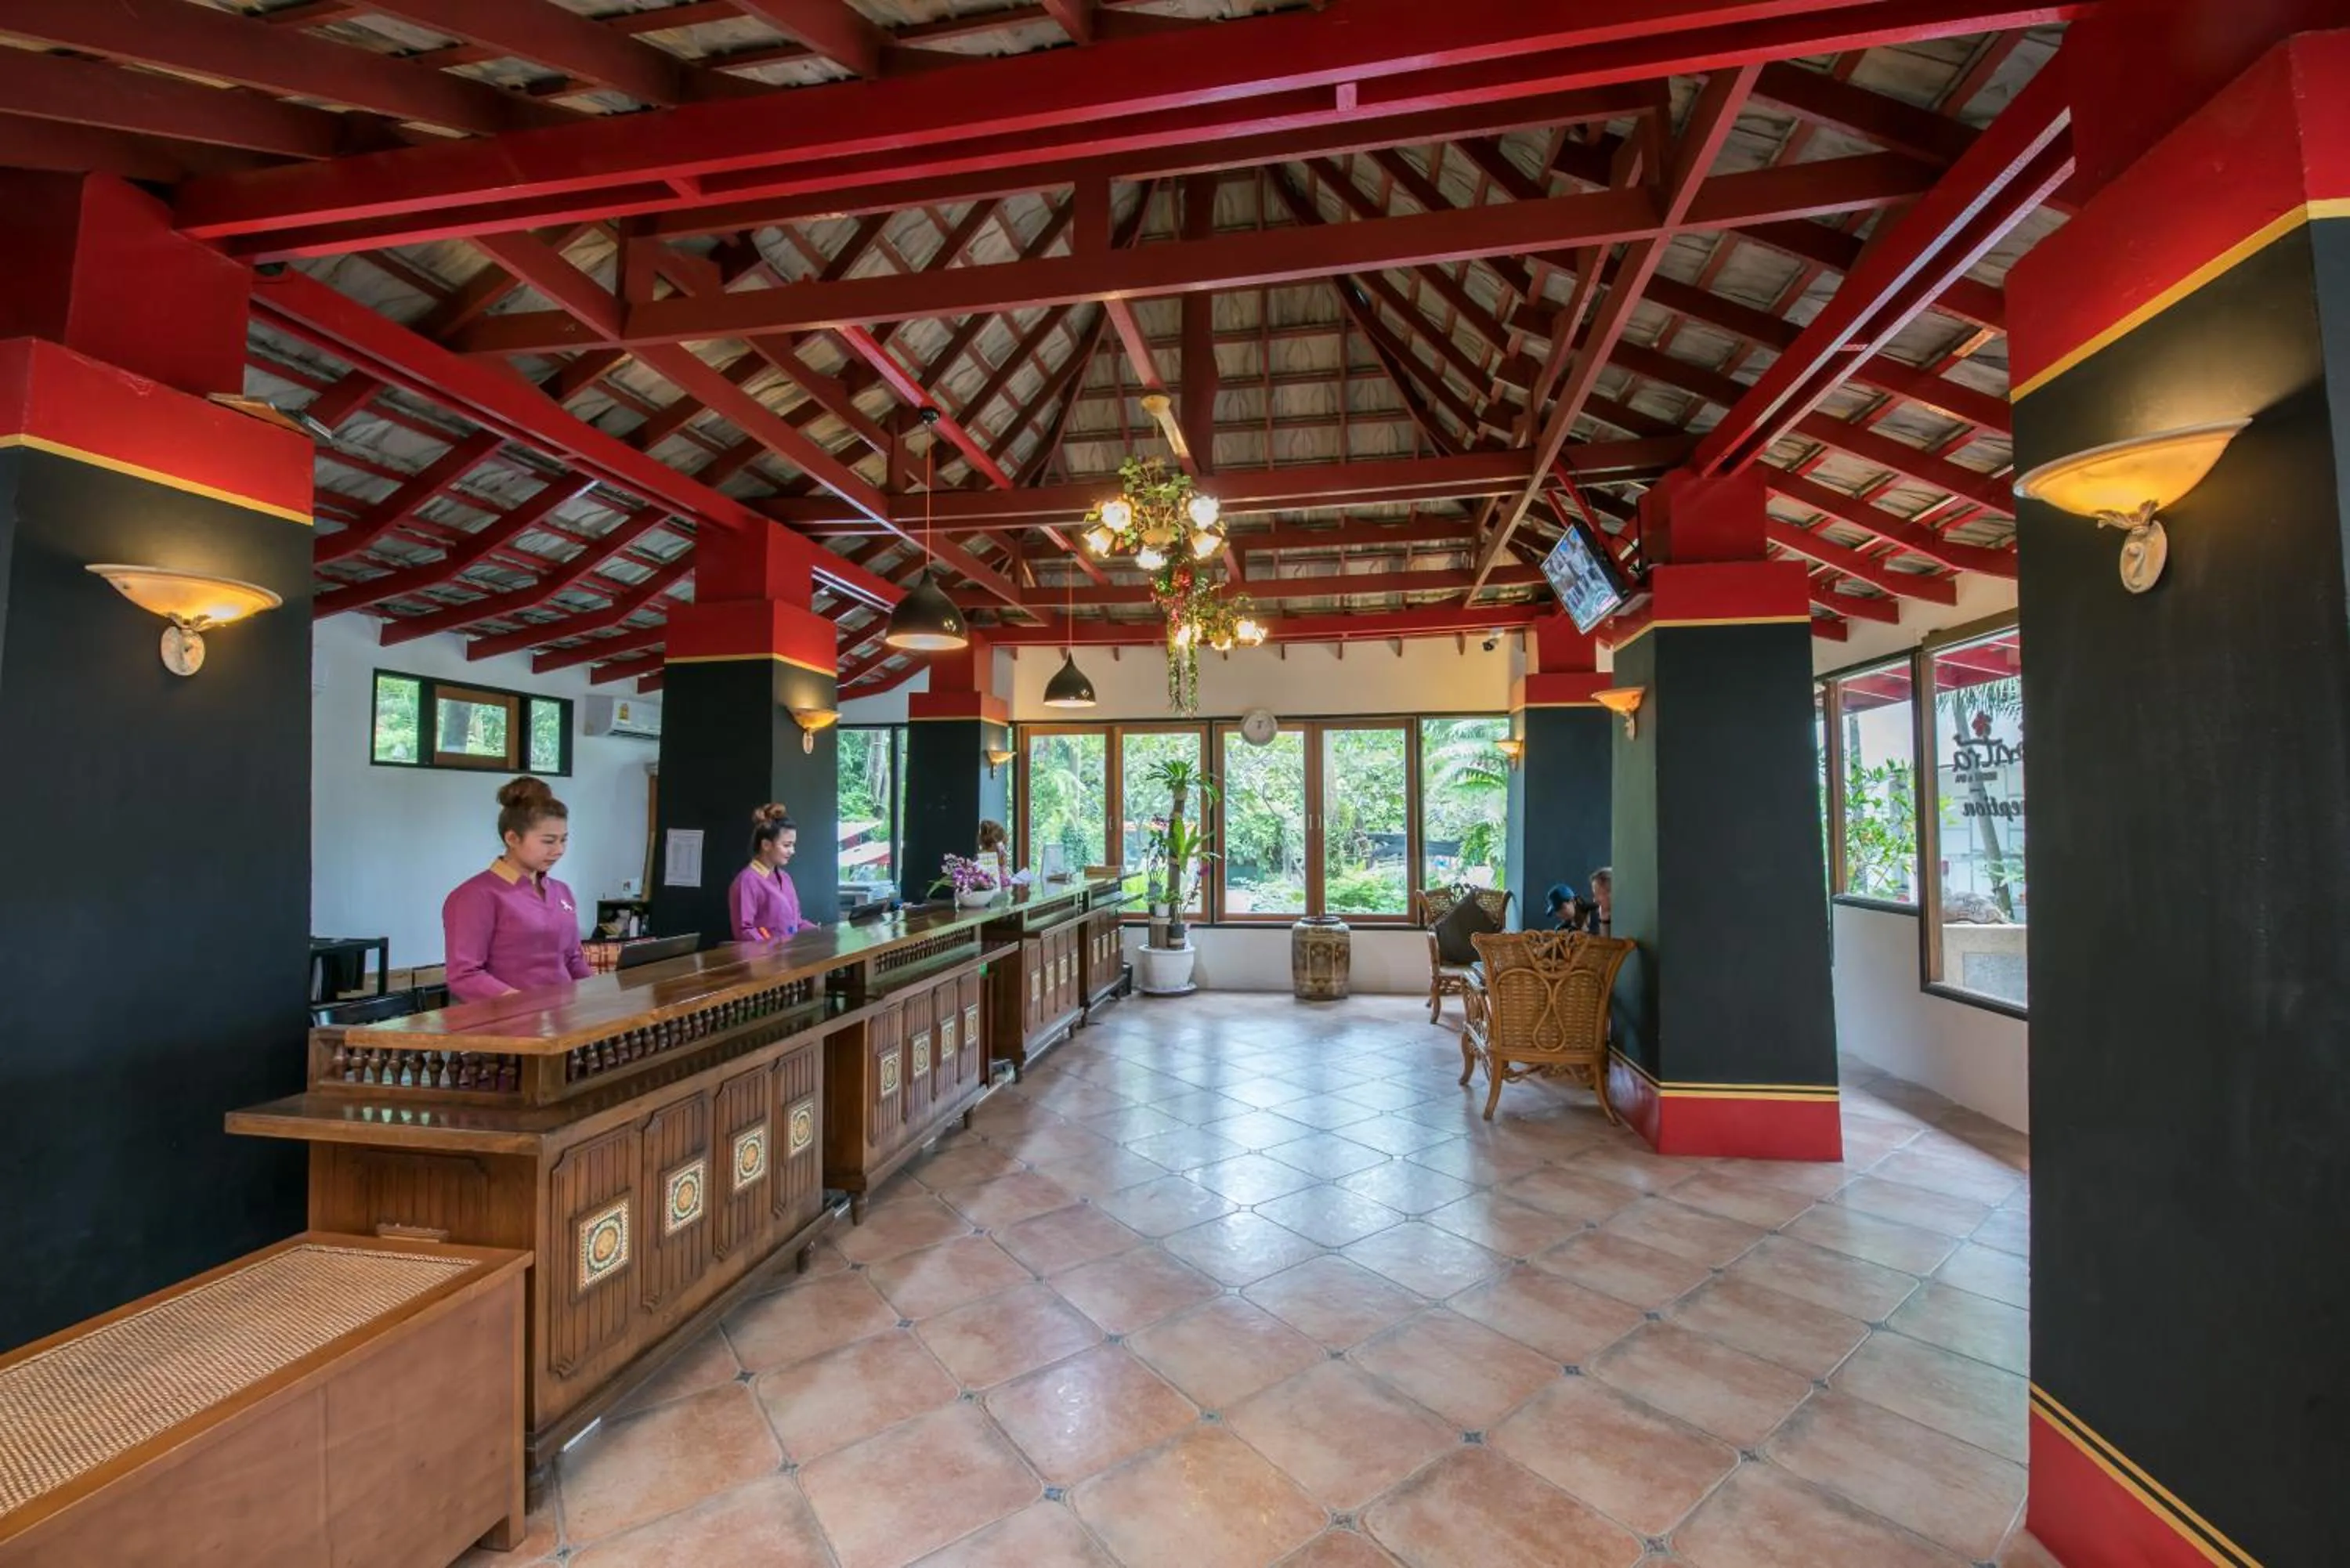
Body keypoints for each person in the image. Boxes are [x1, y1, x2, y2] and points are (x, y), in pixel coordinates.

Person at [443, 776, 593, 1003]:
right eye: (548, 841)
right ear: (512, 838)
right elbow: (465, 975)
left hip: (563, 1018)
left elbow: (573, 960)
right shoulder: (475, 896)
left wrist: (600, 997)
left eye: (564, 840)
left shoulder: (562, 892)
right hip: (507, 1023)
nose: (559, 850)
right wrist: (524, 1006)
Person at [730, 803, 816, 942]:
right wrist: (771, 946)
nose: (792, 851)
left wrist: (823, 934)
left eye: (793, 845)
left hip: (788, 958)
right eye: (786, 845)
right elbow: (744, 931)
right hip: (764, 961)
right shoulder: (746, 881)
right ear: (766, 845)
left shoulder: (785, 878)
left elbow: (797, 923)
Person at [977, 818, 1011, 891]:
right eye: (1004, 844)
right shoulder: (984, 862)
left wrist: (1003, 865)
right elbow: (1006, 888)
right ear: (997, 844)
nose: (1004, 848)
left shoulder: (996, 860)